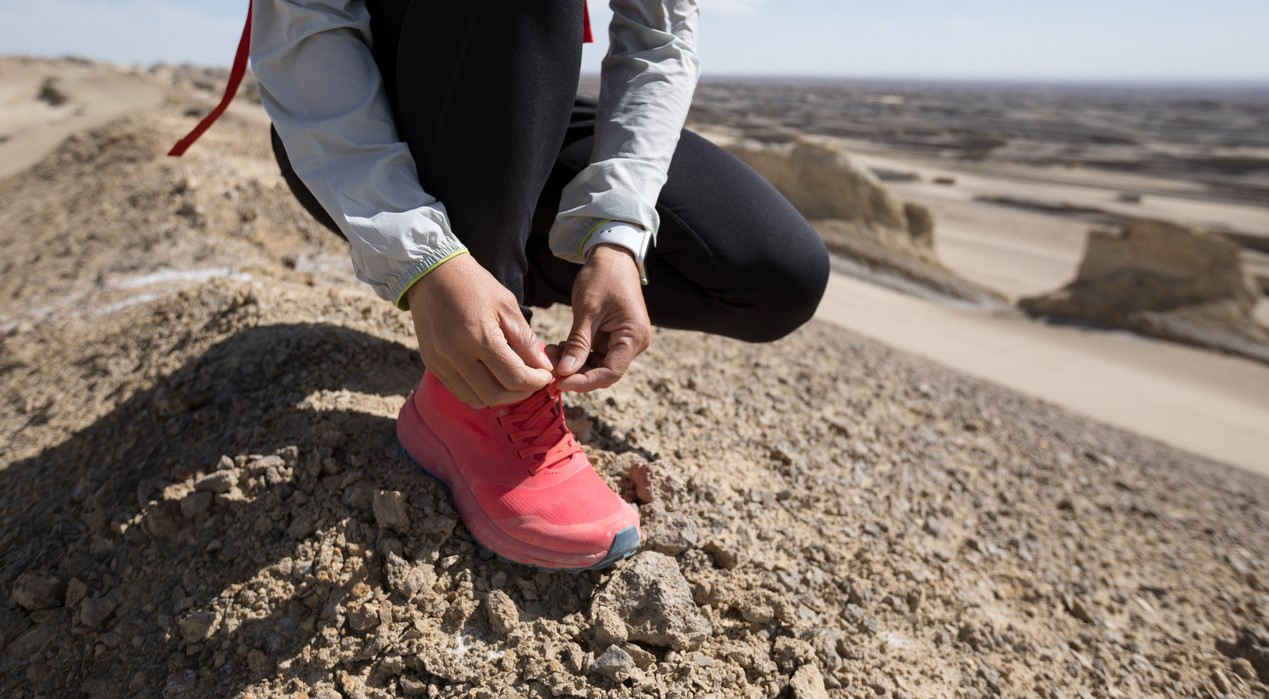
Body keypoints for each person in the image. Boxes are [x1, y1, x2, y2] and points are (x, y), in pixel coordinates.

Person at [250, 0, 829, 571]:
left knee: (775, 277)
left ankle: (495, 296)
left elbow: (658, 37)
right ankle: (473, 397)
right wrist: (422, 259)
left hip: (511, 103)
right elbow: (307, 31)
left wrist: (619, 234)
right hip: (351, 133)